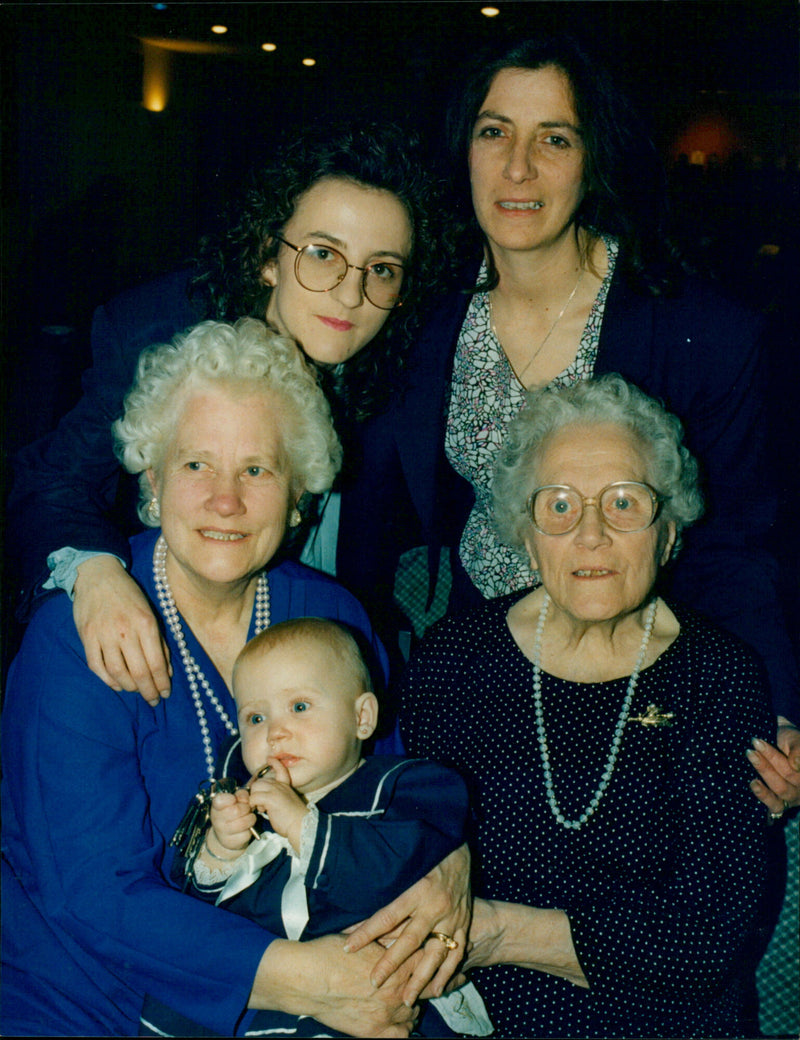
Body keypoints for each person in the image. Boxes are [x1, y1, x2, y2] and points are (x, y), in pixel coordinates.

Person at [346, 33, 800, 814]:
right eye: (495, 133)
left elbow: (737, 548)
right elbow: (367, 521)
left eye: (554, 138)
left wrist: (780, 711)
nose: (517, 168)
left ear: (595, 159)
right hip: (476, 667)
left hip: (643, 674)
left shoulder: (702, 335)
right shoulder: (418, 316)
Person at [1, 319, 468, 1038]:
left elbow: (390, 791)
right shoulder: (75, 635)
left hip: (307, 954)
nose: (227, 500)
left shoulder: (327, 613)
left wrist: (449, 864)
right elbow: (90, 897)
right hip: (92, 988)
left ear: (299, 496)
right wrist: (308, 981)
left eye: (258, 469)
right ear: (151, 482)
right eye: (195, 466)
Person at [7, 120, 448, 704]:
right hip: (160, 649)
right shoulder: (153, 334)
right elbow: (51, 481)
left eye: (383, 269)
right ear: (269, 255)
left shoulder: (409, 365)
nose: (350, 294)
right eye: (322, 255)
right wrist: (96, 576)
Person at [397, 374, 778, 1038]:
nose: (592, 533)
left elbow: (707, 938)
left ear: (667, 533)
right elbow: (412, 852)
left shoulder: (719, 677)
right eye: (561, 505)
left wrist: (495, 932)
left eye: (624, 503)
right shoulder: (453, 657)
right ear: (527, 531)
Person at [139, 616, 491, 1039]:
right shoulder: (246, 798)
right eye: (254, 718)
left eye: (300, 707)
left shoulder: (405, 787)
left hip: (369, 993)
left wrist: (306, 827)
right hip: (266, 991)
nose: (275, 733)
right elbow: (200, 908)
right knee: (174, 1006)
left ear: (362, 717)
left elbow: (396, 870)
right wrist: (221, 850)